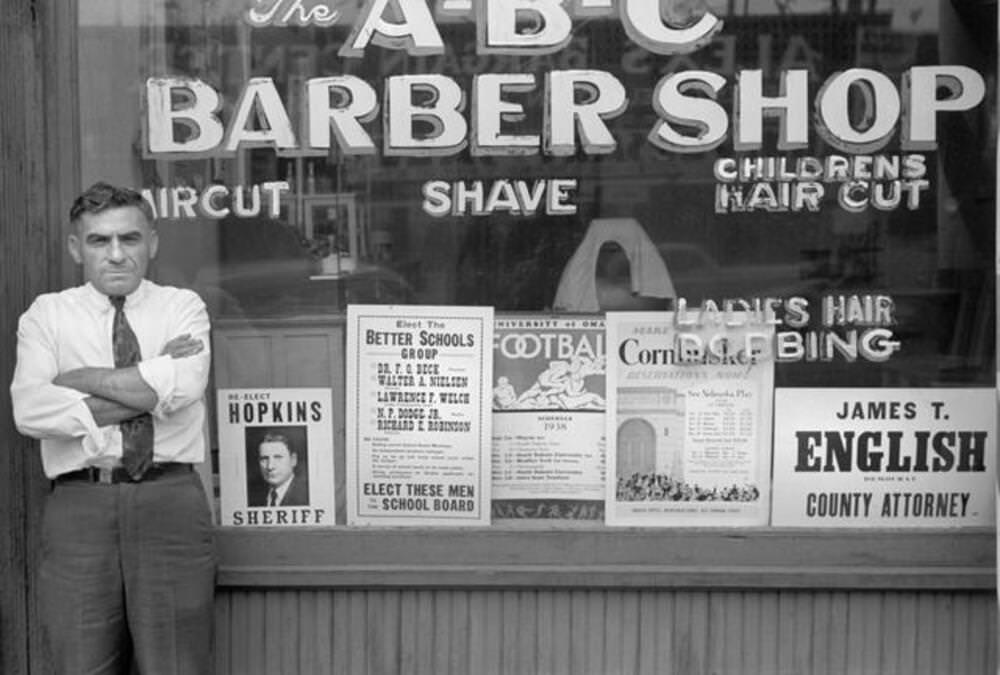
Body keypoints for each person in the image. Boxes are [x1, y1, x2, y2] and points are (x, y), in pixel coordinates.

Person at [9, 182, 215, 675]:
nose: (117, 254)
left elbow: (183, 386)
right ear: (76, 248)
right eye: (100, 241)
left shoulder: (183, 307)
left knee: (178, 665)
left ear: (153, 242)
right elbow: (31, 410)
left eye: (130, 239)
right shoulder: (47, 315)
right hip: (81, 505)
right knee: (81, 664)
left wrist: (77, 383)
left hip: (170, 501)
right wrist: (152, 379)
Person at [248, 431, 310, 507]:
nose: (270, 466)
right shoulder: (253, 497)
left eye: (278, 457)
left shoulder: (307, 495)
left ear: (293, 460)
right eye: (264, 459)